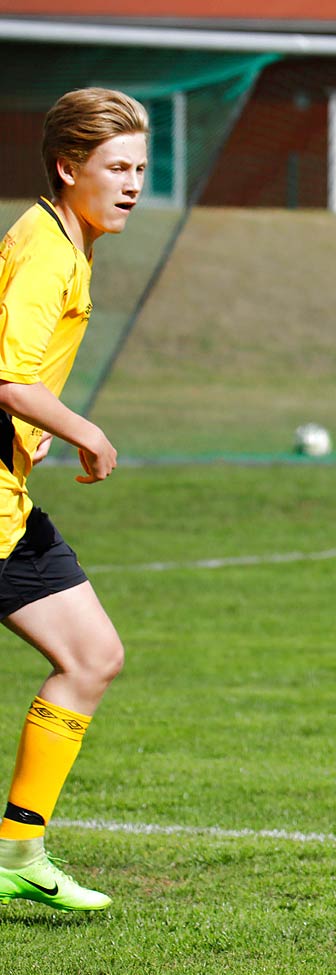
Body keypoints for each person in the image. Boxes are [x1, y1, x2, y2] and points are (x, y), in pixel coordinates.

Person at [0, 89, 139, 913]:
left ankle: (18, 850)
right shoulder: (49, 249)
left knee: (90, 657)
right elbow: (11, 376)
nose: (131, 185)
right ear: (67, 166)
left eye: (140, 170)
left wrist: (34, 425)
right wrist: (82, 428)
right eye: (115, 168)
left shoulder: (62, 240)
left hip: (10, 499)